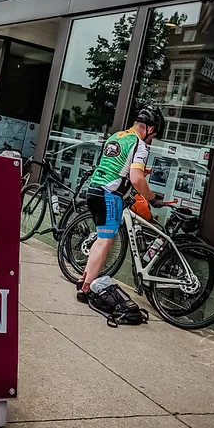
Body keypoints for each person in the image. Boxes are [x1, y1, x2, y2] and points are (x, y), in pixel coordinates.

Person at [76, 105, 165, 308]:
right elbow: (135, 178)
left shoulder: (117, 136)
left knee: (100, 240)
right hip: (110, 195)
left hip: (94, 190)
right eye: (154, 135)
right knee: (104, 243)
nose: (152, 140)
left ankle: (84, 280)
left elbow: (115, 164)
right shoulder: (139, 144)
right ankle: (86, 288)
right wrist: (151, 198)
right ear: (150, 129)